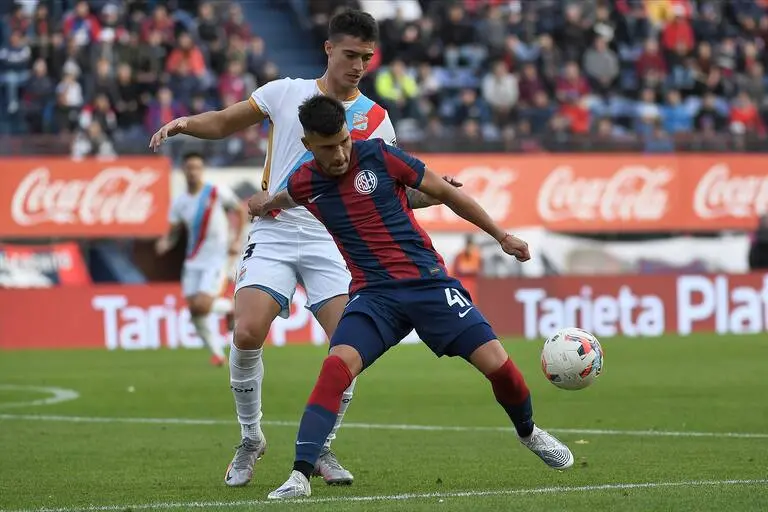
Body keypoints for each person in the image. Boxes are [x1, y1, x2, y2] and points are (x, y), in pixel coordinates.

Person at [148, 10, 454, 486]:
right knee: (247, 331)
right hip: (274, 227)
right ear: (328, 49)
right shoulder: (285, 92)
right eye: (350, 54)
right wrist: (185, 123)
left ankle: (322, 448)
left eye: (367, 58)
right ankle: (251, 438)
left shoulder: (376, 119)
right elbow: (225, 121)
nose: (358, 65)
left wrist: (435, 193)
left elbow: (391, 191)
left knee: (347, 350)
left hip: (332, 237)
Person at [249, 95, 574, 500]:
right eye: (328, 147)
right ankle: (299, 476)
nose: (339, 153)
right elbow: (285, 197)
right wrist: (266, 203)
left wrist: (502, 236)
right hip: (373, 296)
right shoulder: (305, 180)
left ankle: (530, 433)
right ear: (309, 145)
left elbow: (447, 193)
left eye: (344, 141)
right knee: (336, 366)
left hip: (429, 285)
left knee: (499, 366)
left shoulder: (381, 156)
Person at [156, 152, 247, 366]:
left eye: (197, 167)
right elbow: (174, 231)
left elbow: (240, 211)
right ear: (183, 171)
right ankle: (217, 354)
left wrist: (236, 240)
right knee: (195, 309)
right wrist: (166, 242)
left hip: (216, 258)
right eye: (189, 168)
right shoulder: (180, 202)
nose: (193, 172)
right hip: (192, 260)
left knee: (203, 304)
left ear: (202, 170)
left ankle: (231, 309)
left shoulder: (215, 192)